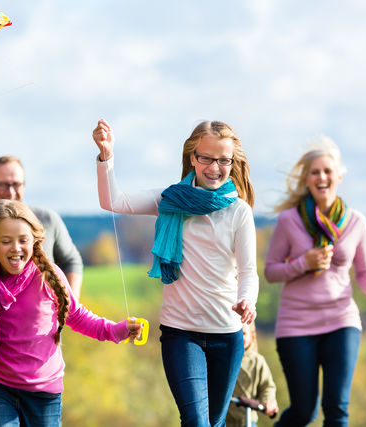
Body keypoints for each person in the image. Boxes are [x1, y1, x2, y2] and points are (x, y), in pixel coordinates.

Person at [92, 118, 259, 426]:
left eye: (223, 160)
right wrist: (106, 156)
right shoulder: (171, 200)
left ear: (231, 161)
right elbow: (112, 201)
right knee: (196, 422)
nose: (214, 167)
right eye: (206, 158)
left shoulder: (239, 212)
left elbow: (249, 270)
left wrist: (247, 300)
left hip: (226, 333)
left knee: (215, 423)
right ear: (193, 157)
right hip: (181, 333)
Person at [0, 199, 143, 426]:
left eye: (22, 240)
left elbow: (78, 316)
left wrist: (118, 329)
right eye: (6, 241)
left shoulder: (49, 277)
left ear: (34, 241)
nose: (15, 248)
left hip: (45, 393)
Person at [265, 136, 366, 426]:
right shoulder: (288, 221)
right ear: (306, 179)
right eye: (315, 172)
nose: (322, 177)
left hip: (341, 319)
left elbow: (363, 271)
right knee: (303, 411)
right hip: (296, 325)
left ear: (339, 176)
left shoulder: (356, 222)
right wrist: (302, 264)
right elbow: (271, 271)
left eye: (328, 171)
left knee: (337, 408)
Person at [0, 155, 83, 299]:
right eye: (3, 185)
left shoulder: (48, 220)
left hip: (47, 319)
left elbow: (71, 260)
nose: (11, 192)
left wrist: (69, 306)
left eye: (16, 184)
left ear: (24, 184)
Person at [226, 322, 278, 426]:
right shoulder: (223, 359)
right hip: (224, 420)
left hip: (248, 419)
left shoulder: (257, 361)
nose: (239, 337)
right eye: (235, 333)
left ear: (252, 335)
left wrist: (268, 401)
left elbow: (267, 386)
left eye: (244, 333)